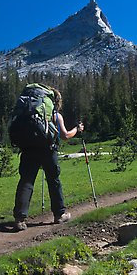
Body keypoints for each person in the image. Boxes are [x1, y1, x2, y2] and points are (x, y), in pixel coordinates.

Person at [12, 85, 84, 231]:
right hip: (47, 149)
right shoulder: (55, 115)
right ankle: (59, 214)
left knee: (26, 181)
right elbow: (65, 136)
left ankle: (20, 219)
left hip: (27, 147)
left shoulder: (27, 110)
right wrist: (77, 129)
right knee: (53, 180)